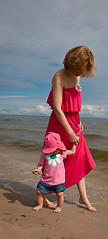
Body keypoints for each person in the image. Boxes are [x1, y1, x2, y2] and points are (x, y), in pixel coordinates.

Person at [41, 46, 97, 212]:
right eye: (81, 67)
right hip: (59, 124)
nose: (83, 71)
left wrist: (78, 122)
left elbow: (74, 105)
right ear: (74, 62)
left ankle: (83, 197)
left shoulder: (79, 75)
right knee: (53, 160)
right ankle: (42, 195)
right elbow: (58, 109)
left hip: (74, 123)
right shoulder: (59, 76)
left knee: (79, 159)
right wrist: (70, 132)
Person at [32, 132, 76, 213]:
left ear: (59, 148)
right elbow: (41, 163)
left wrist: (74, 143)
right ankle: (40, 205)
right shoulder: (45, 154)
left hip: (58, 181)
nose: (51, 151)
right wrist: (38, 169)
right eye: (50, 150)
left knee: (60, 194)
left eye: (54, 149)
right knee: (39, 192)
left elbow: (72, 152)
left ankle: (59, 206)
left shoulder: (62, 153)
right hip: (46, 180)